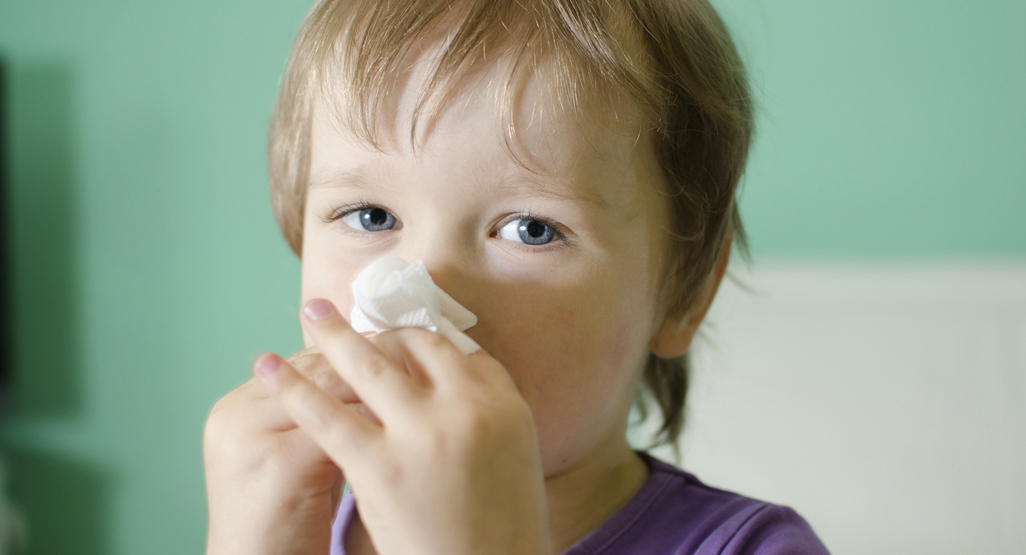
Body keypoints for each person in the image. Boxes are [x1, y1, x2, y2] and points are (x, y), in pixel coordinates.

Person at [204, 0, 830, 553]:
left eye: (531, 229)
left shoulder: (754, 548)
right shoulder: (303, 524)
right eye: (371, 216)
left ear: (684, 296)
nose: (423, 283)